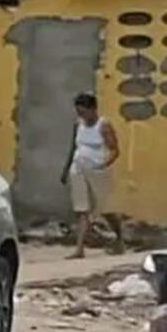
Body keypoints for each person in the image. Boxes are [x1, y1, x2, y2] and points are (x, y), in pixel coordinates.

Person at [63, 92, 124, 258]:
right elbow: (73, 148)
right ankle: (79, 249)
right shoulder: (78, 125)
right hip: (78, 169)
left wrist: (102, 165)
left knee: (105, 209)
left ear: (93, 109)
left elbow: (115, 151)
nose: (81, 115)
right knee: (82, 209)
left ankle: (119, 237)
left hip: (97, 171)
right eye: (79, 112)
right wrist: (65, 169)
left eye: (83, 112)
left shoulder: (103, 126)